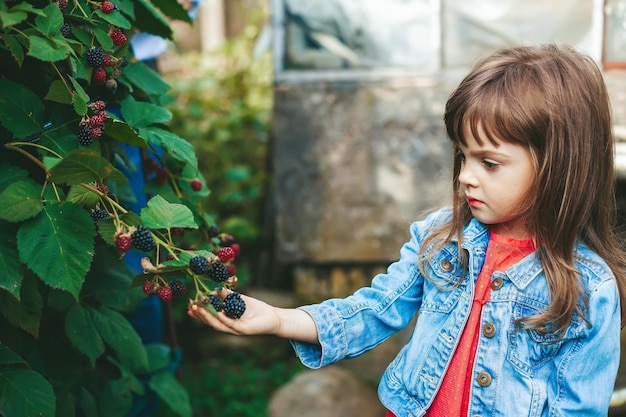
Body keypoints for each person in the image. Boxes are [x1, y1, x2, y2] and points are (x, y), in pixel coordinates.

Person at [188, 44, 626, 416]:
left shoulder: (588, 289)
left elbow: (577, 408)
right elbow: (375, 309)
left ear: (558, 167)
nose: (466, 177)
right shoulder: (441, 238)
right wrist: (281, 319)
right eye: (463, 156)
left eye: (489, 163)